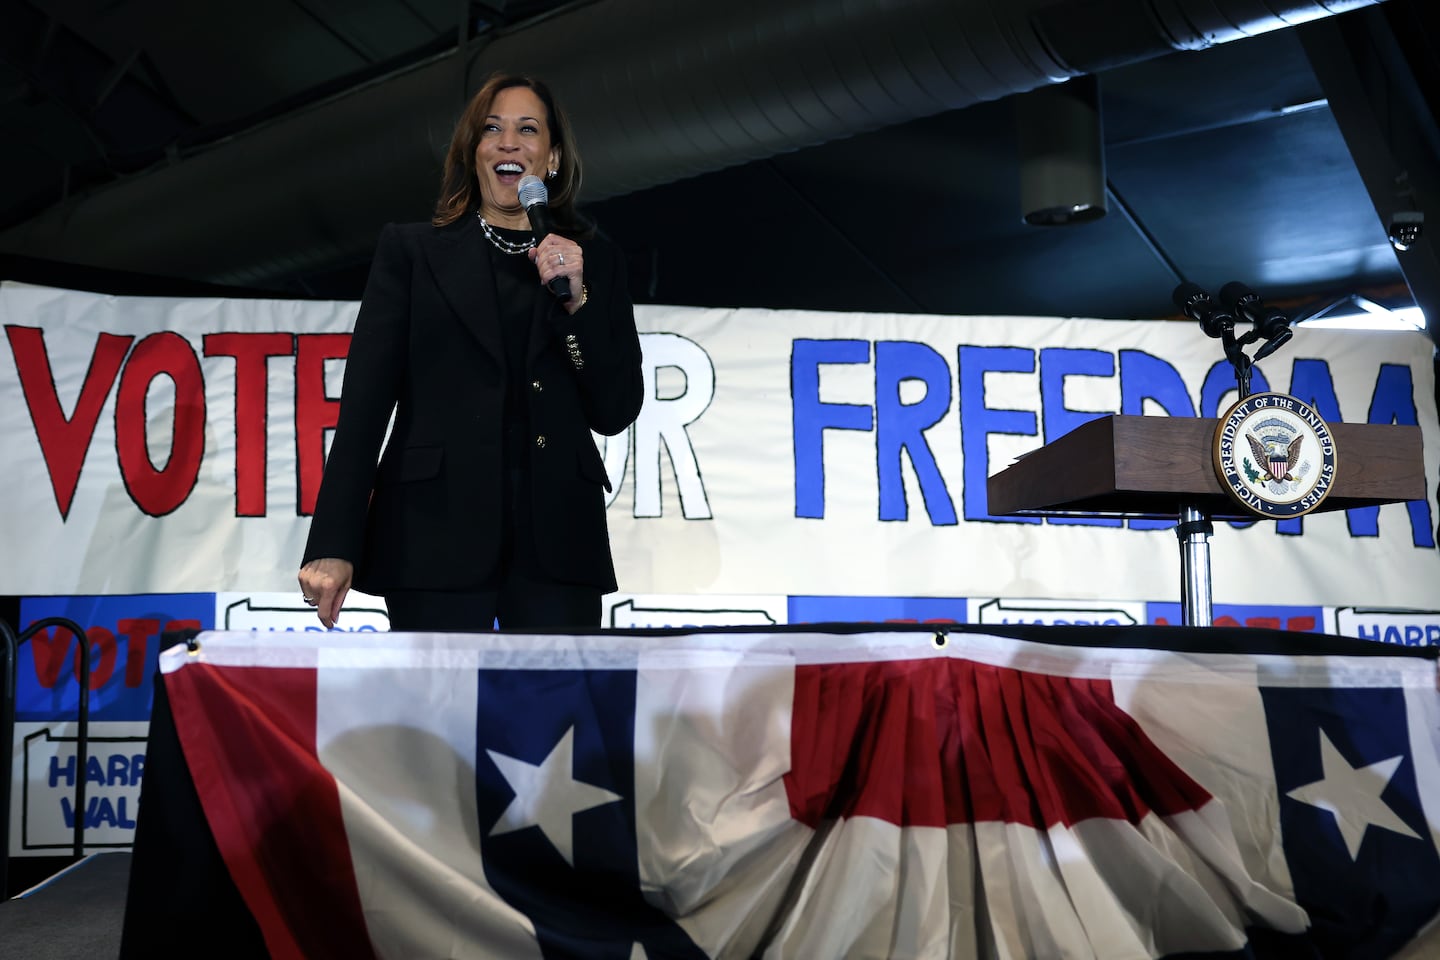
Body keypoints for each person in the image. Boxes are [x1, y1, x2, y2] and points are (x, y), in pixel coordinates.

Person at [297, 74, 643, 632]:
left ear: (551, 157)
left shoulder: (593, 261)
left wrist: (576, 307)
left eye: (528, 130)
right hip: (433, 538)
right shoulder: (411, 253)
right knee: (437, 717)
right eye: (492, 129)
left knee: (552, 714)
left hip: (557, 543)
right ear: (474, 152)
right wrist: (334, 542)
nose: (509, 142)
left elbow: (616, 408)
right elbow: (364, 406)